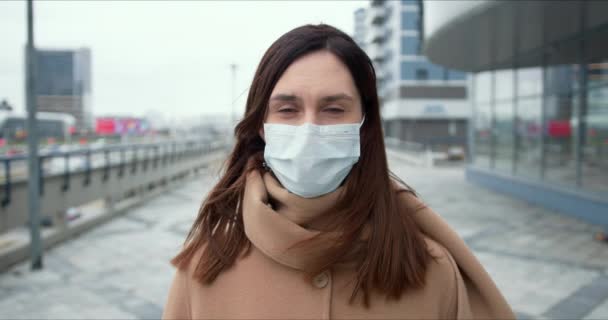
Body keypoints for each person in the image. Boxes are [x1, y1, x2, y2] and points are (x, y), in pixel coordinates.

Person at [162, 24, 515, 319]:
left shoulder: (431, 270)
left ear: (364, 124)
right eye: (287, 109)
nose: (310, 128)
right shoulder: (202, 268)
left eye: (333, 109)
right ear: (261, 125)